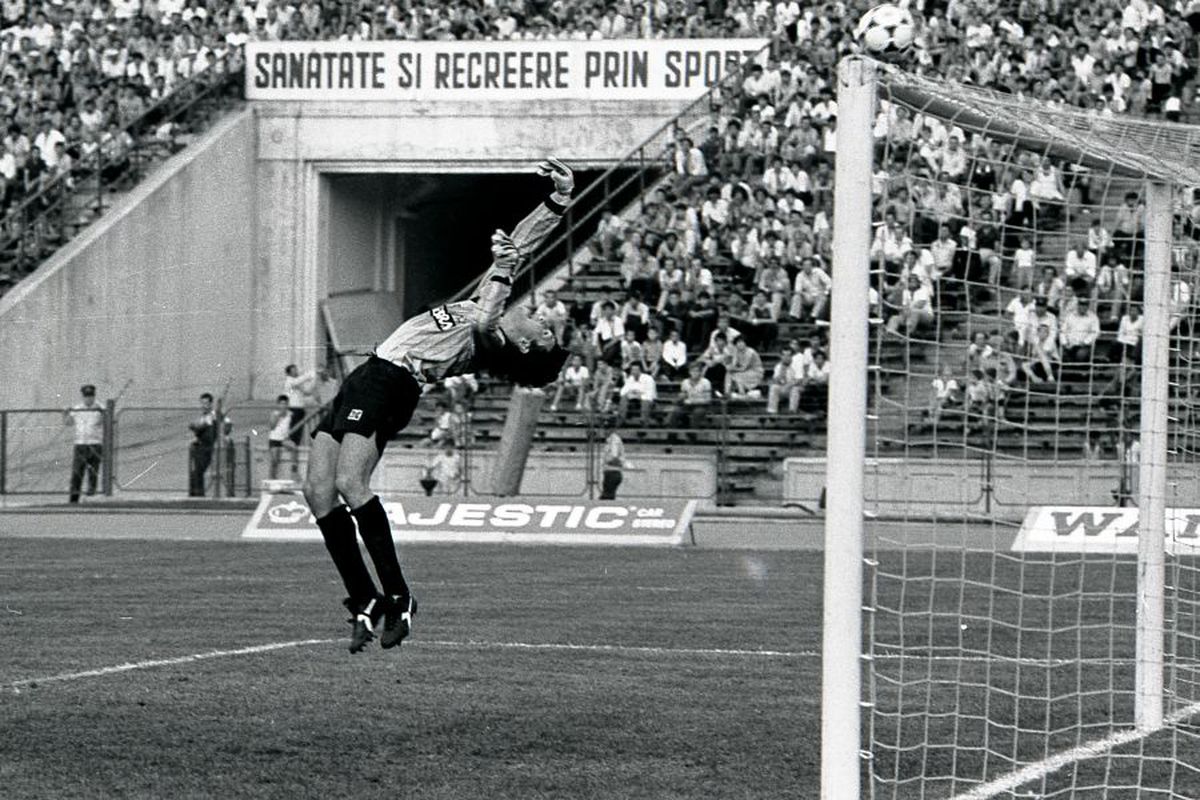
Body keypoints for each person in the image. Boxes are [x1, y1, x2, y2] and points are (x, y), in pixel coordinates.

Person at [302, 158, 573, 654]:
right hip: (368, 374)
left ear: (529, 348)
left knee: (349, 483)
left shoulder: (491, 338)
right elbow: (518, 244)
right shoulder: (486, 308)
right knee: (317, 490)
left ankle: (400, 598)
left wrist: (507, 270)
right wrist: (557, 200)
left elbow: (490, 311)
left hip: (392, 381)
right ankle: (365, 599)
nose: (542, 319)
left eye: (546, 330)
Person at [64, 384, 104, 503]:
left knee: (93, 473)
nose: (89, 399)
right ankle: (73, 499)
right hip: (80, 444)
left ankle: (91, 498)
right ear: (83, 397)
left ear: (94, 396)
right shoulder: (77, 408)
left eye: (91, 396)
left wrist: (104, 413)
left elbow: (107, 420)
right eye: (86, 396)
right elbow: (68, 422)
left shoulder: (100, 407)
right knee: (77, 472)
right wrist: (65, 413)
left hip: (95, 443)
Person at [188, 392, 231, 497]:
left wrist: (225, 432)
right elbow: (197, 428)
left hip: (206, 448)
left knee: (198, 472)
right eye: (202, 403)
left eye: (206, 403)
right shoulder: (204, 417)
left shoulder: (214, 415)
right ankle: (195, 496)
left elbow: (227, 422)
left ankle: (199, 497)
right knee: (195, 473)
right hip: (198, 447)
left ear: (211, 404)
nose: (204, 406)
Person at [284, 364, 316, 447]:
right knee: (294, 427)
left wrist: (313, 381)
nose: (296, 371)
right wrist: (308, 375)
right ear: (289, 373)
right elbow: (297, 381)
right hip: (293, 408)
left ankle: (296, 444)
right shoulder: (289, 381)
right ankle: (291, 444)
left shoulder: (297, 383)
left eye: (296, 369)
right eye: (293, 370)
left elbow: (307, 392)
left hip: (300, 408)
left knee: (299, 429)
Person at [267, 394, 296, 480]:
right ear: (278, 404)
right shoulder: (274, 414)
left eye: (285, 404)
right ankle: (272, 479)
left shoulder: (290, 414)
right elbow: (272, 426)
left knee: (293, 447)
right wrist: (278, 416)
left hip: (284, 440)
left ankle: (294, 470)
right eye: (281, 404)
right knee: (275, 461)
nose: (283, 406)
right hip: (274, 439)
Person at [599, 427, 628, 500]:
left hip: (612, 472)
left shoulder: (614, 440)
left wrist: (607, 462)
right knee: (609, 496)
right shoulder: (610, 440)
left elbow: (614, 456)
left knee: (606, 497)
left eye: (606, 429)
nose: (604, 431)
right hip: (612, 472)